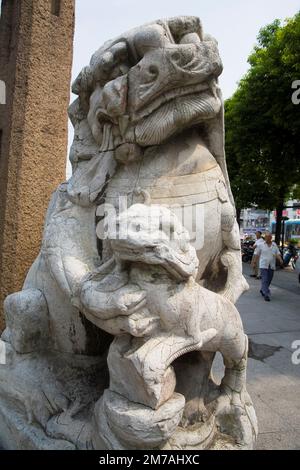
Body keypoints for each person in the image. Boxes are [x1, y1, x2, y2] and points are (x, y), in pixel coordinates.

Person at [256, 232, 283, 302]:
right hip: (263, 265)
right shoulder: (261, 245)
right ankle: (266, 294)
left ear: (271, 238)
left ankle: (263, 289)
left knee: (269, 280)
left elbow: (277, 253)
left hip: (271, 265)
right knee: (265, 279)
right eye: (266, 237)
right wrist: (254, 262)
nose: (267, 238)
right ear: (265, 238)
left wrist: (280, 259)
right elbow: (257, 254)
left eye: (268, 237)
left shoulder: (274, 245)